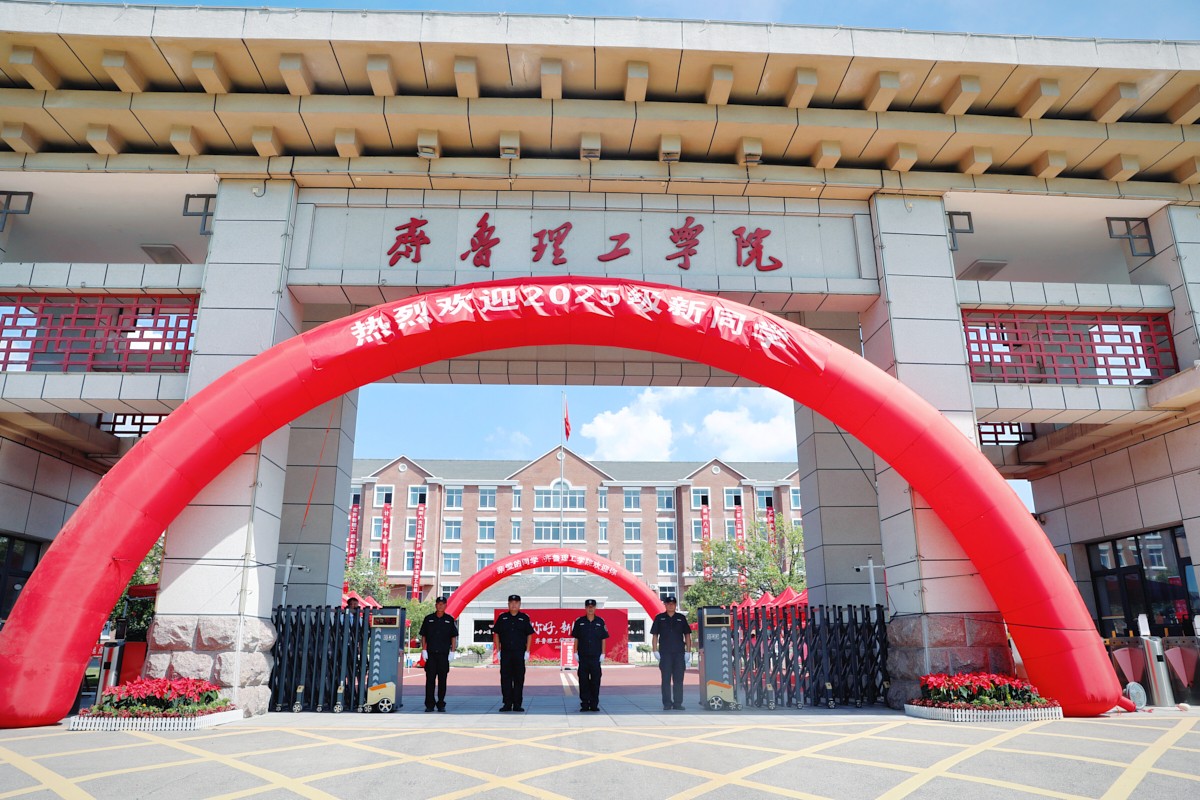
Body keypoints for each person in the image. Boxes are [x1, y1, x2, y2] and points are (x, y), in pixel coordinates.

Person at [491, 594, 534, 712]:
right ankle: (507, 703)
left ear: (520, 604)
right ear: (508, 604)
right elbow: (496, 634)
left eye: (516, 603)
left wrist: (527, 651)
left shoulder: (524, 618)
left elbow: (529, 634)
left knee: (519, 679)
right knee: (506, 679)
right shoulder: (503, 618)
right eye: (511, 602)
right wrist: (498, 650)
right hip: (506, 653)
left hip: (519, 653)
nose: (514, 605)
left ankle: (517, 704)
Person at [650, 595, 692, 711]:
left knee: (678, 680)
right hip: (665, 653)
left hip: (679, 653)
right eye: (668, 604)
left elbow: (687, 635)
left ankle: (678, 703)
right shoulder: (659, 618)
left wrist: (688, 652)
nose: (670, 606)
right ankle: (667, 703)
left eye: (672, 604)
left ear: (675, 605)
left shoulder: (681, 618)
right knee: (666, 680)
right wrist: (655, 650)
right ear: (665, 605)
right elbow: (655, 635)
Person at [419, 596, 458, 712]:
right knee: (430, 680)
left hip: (443, 655)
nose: (440, 606)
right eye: (438, 604)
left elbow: (453, 637)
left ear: (446, 605)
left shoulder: (449, 620)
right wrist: (423, 650)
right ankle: (429, 704)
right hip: (431, 654)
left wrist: (453, 651)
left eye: (442, 604)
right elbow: (424, 635)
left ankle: (441, 703)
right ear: (435, 605)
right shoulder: (428, 619)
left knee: (442, 680)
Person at [571, 598, 610, 712]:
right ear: (585, 608)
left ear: (595, 608)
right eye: (588, 607)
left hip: (595, 657)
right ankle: (584, 704)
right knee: (583, 681)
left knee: (595, 681)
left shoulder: (600, 621)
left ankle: (594, 704)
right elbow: (576, 638)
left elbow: (603, 639)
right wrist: (575, 652)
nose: (590, 609)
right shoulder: (579, 622)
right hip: (583, 657)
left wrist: (603, 653)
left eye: (592, 607)